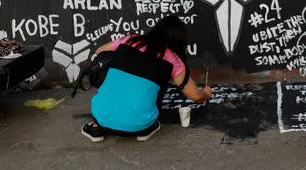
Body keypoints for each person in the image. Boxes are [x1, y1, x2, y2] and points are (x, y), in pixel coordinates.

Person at [81, 15, 213, 142]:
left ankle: (97, 129)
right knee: (157, 89)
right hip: (140, 125)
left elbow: (99, 52)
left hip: (100, 117)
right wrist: (207, 92)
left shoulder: (131, 39)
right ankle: (145, 128)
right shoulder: (174, 61)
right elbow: (196, 96)